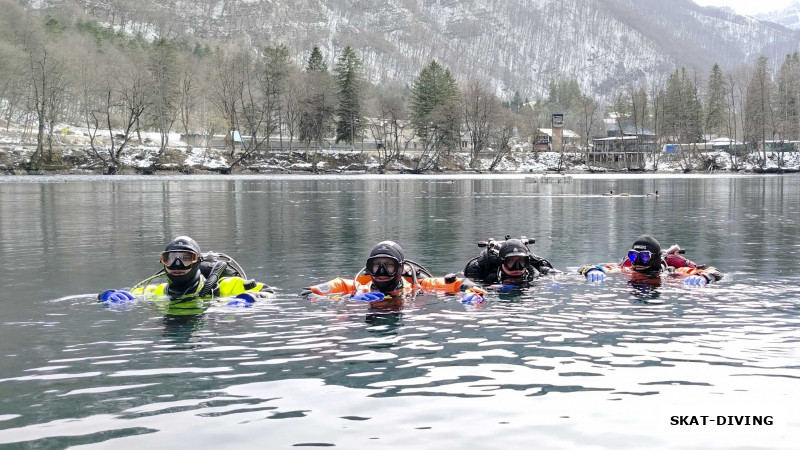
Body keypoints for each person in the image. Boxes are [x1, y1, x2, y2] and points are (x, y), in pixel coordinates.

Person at [98, 236, 272, 308]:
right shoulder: (153, 291)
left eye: (186, 258)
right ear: (163, 262)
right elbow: (120, 295)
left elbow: (269, 292)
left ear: (198, 261)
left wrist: (249, 299)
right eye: (171, 259)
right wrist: (106, 296)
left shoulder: (226, 286)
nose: (177, 265)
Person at [300, 241, 486, 306]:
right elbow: (308, 293)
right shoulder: (357, 287)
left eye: (388, 266)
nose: (381, 272)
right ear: (368, 267)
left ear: (400, 268)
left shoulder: (418, 285)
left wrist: (473, 296)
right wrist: (336, 299)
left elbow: (461, 283)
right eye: (376, 265)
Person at [579, 235, 723, 286]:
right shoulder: (627, 266)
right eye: (634, 256)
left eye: (645, 257)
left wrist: (705, 277)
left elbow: (713, 271)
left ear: (655, 258)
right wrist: (590, 270)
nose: (637, 262)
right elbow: (594, 267)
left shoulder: (674, 268)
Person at [463, 236, 557, 288]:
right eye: (510, 261)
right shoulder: (484, 272)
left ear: (527, 262)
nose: (517, 267)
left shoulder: (536, 272)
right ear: (501, 262)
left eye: (522, 261)